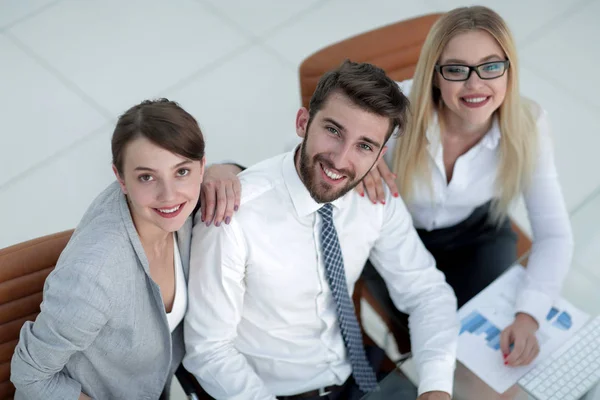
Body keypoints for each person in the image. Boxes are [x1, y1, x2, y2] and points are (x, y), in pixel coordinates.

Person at [202, 6, 574, 372]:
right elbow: (302, 150)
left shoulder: (529, 123)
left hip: (475, 235)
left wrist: (529, 316)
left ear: (510, 69)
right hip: (394, 240)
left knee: (491, 354)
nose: (475, 85)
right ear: (434, 74)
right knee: (441, 341)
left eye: (492, 66)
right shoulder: (399, 108)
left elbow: (555, 234)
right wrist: (362, 151)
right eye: (457, 70)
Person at [184, 60, 458, 400]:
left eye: (364, 146)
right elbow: (209, 351)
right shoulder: (234, 216)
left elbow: (427, 292)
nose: (341, 160)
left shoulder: (374, 198)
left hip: (357, 373)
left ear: (378, 155)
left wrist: (436, 388)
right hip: (271, 392)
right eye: (334, 131)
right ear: (303, 123)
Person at [11, 99, 206, 399]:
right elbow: (29, 376)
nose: (169, 196)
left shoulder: (189, 210)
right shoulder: (95, 278)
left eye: (181, 172)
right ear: (121, 178)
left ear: (202, 166)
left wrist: (226, 172)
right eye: (147, 177)